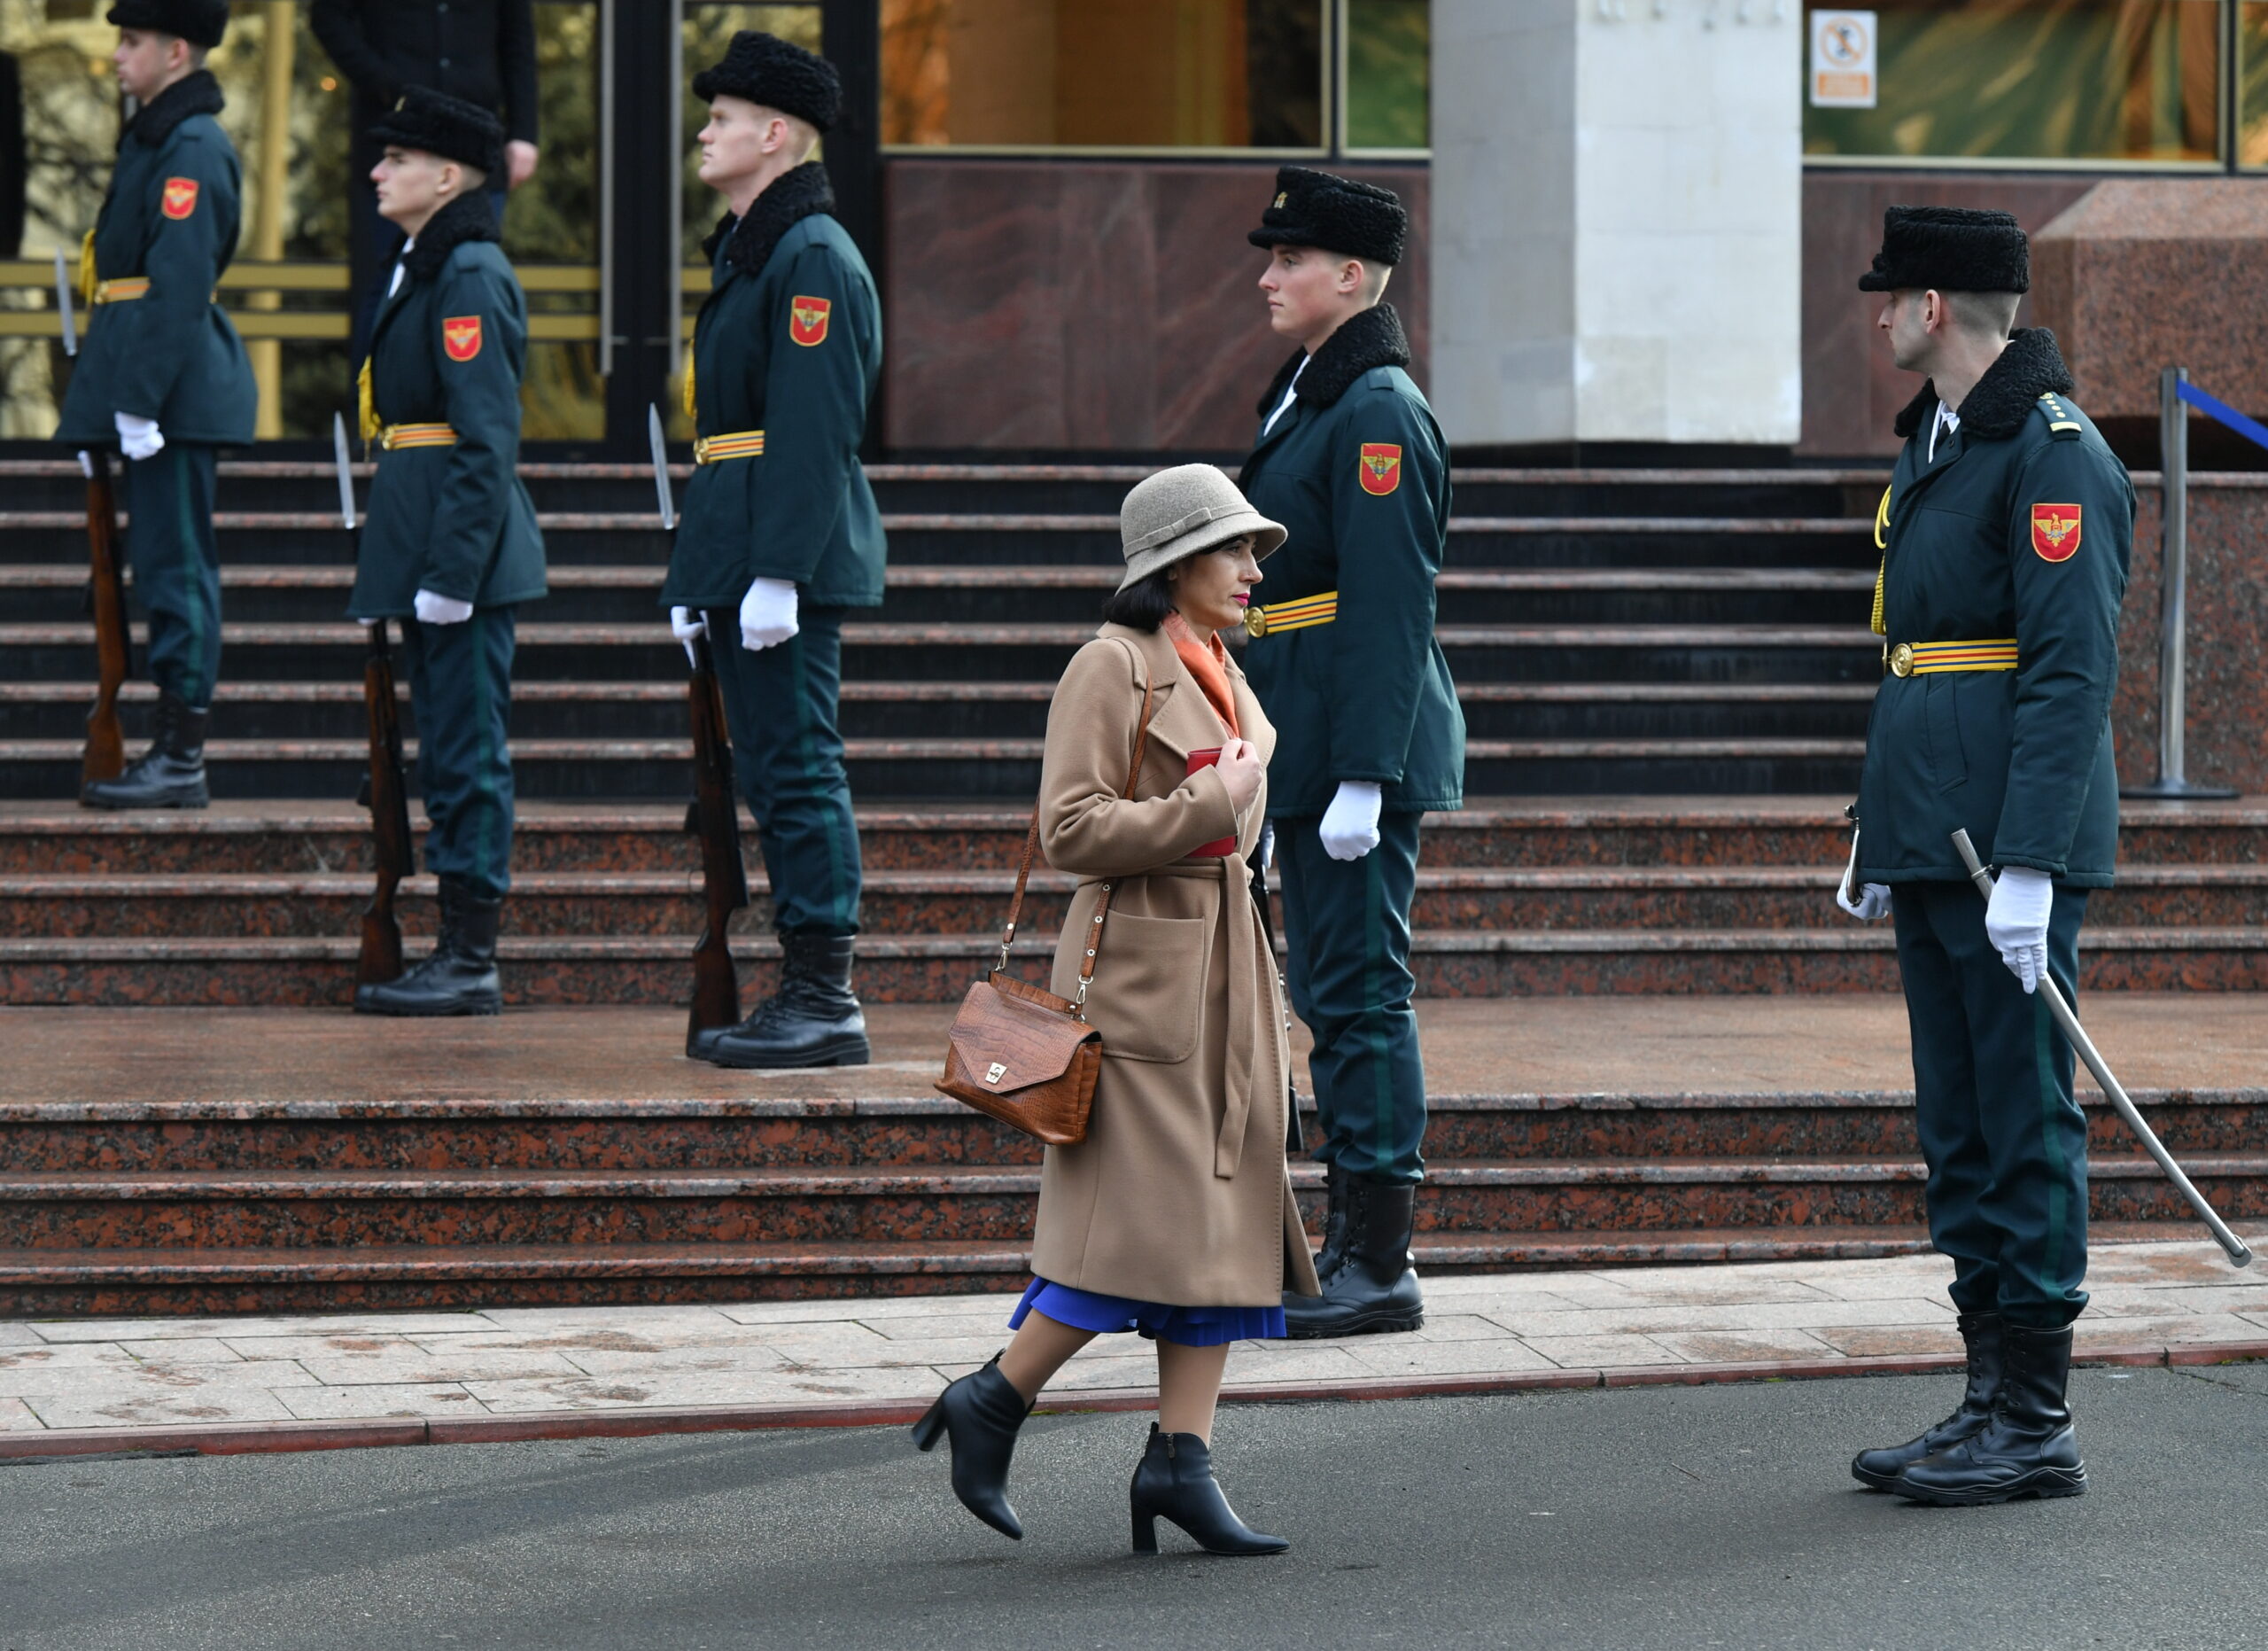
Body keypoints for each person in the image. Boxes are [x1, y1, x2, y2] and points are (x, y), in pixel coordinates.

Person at [913, 464, 1319, 1556]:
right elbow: (1071, 830)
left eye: (1250, 552)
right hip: (1141, 980)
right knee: (1135, 1227)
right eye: (1232, 550)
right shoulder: (1113, 663)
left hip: (1227, 968)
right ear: (1172, 564)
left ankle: (1181, 1461)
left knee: (1226, 1225)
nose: (1250, 570)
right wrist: (1208, 800)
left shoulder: (1223, 667)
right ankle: (993, 1398)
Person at [1837, 206, 2133, 1507]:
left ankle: (2036, 1410)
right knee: (1958, 1124)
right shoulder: (1943, 443)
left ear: (1937, 305)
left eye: (1889, 295)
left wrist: (2030, 861)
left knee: (2022, 1117)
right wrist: (1873, 823)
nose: (1878, 315)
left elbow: (2070, 675)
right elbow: (1915, 660)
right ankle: (1983, 1393)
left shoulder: (2052, 455)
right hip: (1928, 825)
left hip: (2003, 839)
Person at [1232, 167, 1464, 1338]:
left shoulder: (1376, 407)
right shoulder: (1316, 396)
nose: (1268, 276)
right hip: (1308, 732)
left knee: (1363, 995)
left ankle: (1380, 1256)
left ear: (1353, 277)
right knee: (1331, 990)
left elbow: (1386, 605)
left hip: (1349, 743)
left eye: (1290, 259)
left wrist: (1367, 774)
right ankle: (1348, 1239)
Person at [664, 31, 886, 1070]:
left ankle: (822, 993)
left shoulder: (810, 256)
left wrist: (780, 572)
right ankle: (800, 987)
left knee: (797, 768)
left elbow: (812, 430)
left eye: (721, 119)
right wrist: (701, 573)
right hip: (738, 540)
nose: (704, 134)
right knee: (768, 768)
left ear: (775, 133)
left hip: (776, 550)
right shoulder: (757, 245)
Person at [347, 88, 546, 1017]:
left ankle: (469, 956)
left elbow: (484, 435)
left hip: (456, 555)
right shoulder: (428, 266)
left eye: (396, 158)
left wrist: (451, 574)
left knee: (467, 755)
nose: (377, 171)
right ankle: (454, 945)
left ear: (447, 175)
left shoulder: (465, 270)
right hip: (426, 544)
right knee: (445, 753)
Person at [58, 0, 256, 811]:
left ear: (178, 51)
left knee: (177, 573)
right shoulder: (155, 136)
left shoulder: (191, 145)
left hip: (171, 396)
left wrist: (136, 404)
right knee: (156, 571)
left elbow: (176, 287)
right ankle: (171, 748)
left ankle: (182, 755)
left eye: (132, 40)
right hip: (145, 387)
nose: (116, 54)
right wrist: (100, 405)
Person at [309, 0, 540, 366]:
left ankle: (464, 408)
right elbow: (328, 18)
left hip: (476, 146)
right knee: (385, 289)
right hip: (396, 140)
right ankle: (375, 415)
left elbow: (518, 40)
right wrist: (386, 83)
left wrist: (524, 132)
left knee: (471, 281)